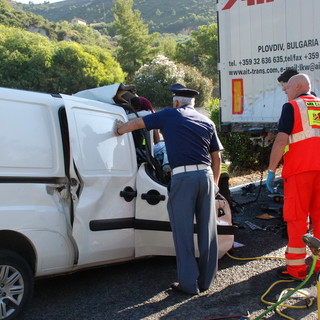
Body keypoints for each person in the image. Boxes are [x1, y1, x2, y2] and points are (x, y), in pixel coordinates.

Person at [114, 83, 223, 295]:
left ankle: (189, 284)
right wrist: (216, 183)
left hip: (183, 177)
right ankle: (207, 281)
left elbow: (137, 123)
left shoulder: (169, 115)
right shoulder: (207, 121)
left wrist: (119, 129)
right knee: (208, 231)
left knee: (183, 232)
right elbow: (216, 157)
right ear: (193, 104)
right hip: (207, 176)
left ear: (175, 102)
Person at [266, 74, 320, 280]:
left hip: (300, 171)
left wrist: (272, 170)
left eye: (287, 87)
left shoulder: (292, 107)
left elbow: (281, 141)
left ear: (297, 86)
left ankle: (297, 269)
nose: (284, 91)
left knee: (297, 219)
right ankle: (318, 264)